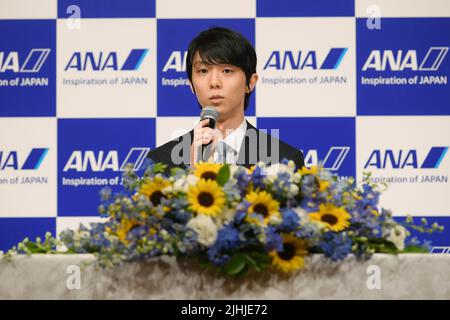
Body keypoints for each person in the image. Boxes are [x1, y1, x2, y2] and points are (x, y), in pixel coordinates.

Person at [147, 26, 304, 172]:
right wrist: (192, 173)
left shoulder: (284, 160)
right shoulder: (161, 162)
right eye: (203, 71)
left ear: (250, 82)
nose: (214, 82)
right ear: (191, 84)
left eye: (227, 71)